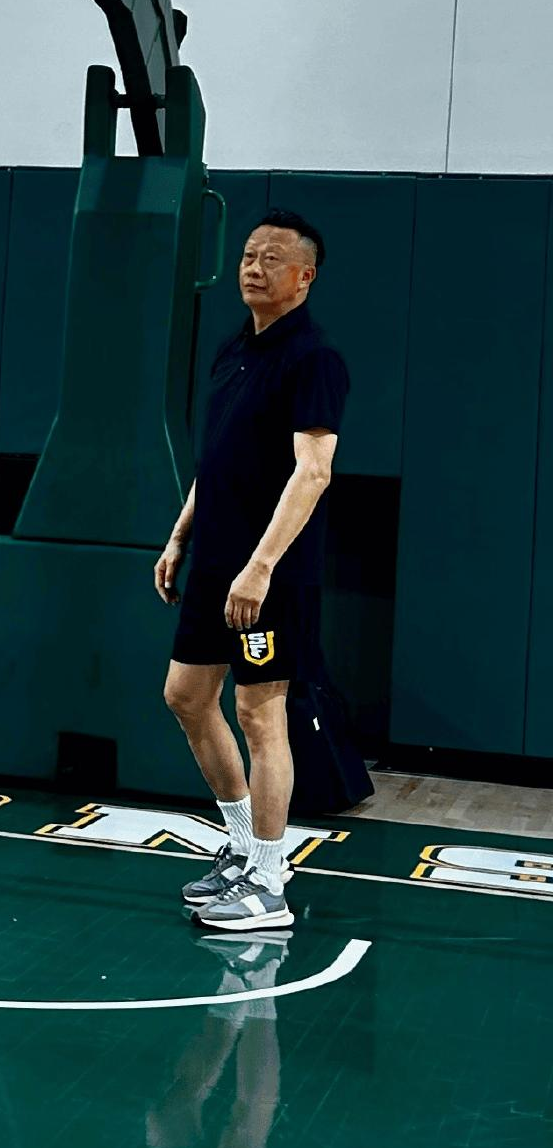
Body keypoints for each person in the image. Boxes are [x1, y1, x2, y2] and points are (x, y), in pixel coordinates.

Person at [154, 211, 348, 935]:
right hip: (214, 563)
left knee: (260, 714)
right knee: (185, 696)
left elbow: (313, 471)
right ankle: (242, 847)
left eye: (272, 258)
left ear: (305, 276)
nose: (254, 267)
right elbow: (218, 459)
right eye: (247, 255)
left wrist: (260, 566)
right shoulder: (234, 350)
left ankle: (269, 882)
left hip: (269, 574)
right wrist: (181, 534)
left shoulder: (314, 359)